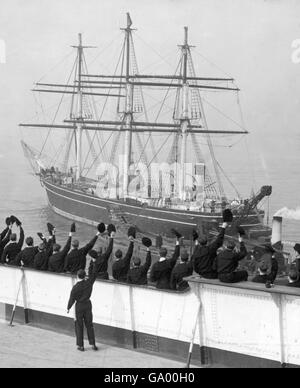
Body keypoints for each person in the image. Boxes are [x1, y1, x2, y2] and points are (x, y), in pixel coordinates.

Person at [67, 233, 115, 352]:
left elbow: (72, 298)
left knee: (79, 325)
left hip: (79, 306)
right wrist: (94, 263)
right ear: (84, 276)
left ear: (78, 276)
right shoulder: (89, 283)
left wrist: (68, 307)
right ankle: (93, 343)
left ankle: (81, 345)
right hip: (88, 304)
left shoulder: (75, 287)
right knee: (90, 325)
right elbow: (93, 275)